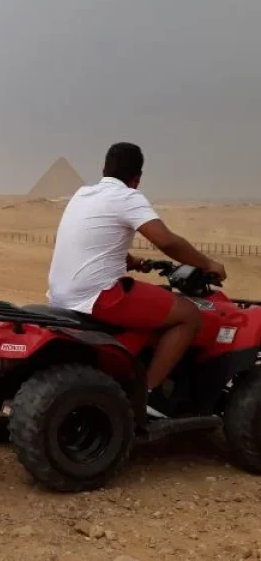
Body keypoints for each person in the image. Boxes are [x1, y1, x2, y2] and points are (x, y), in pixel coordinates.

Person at [48, 142, 226, 408]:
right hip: (98, 295)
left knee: (155, 301)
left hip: (60, 295)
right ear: (137, 178)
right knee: (188, 315)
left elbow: (93, 244)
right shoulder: (128, 197)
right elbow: (167, 242)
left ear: (104, 169)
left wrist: (133, 262)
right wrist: (208, 263)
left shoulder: (83, 194)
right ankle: (148, 394)